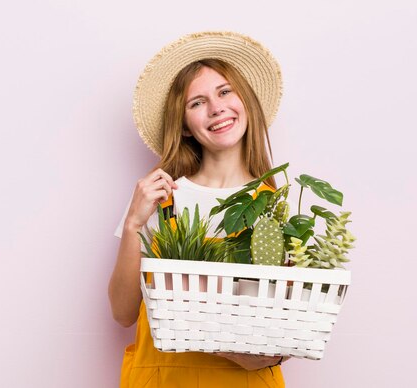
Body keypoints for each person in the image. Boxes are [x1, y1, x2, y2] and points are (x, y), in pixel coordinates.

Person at [109, 31, 287, 388]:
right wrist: (132, 224)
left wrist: (268, 352)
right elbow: (123, 313)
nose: (216, 108)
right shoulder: (161, 198)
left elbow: (283, 324)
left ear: (245, 103)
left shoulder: (277, 205)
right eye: (197, 102)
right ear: (186, 127)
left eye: (225, 92)